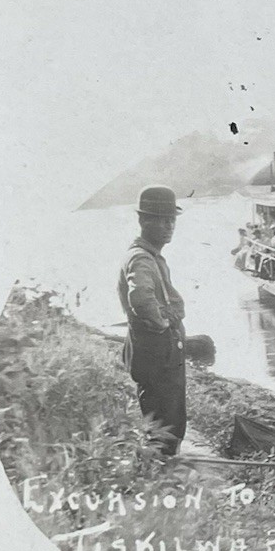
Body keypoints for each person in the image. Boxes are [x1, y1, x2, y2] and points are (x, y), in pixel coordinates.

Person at [117, 185, 188, 455]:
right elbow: (141, 300)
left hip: (161, 354)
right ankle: (162, 472)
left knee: (168, 417)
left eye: (171, 220)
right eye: (160, 219)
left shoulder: (150, 257)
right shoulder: (141, 260)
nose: (169, 226)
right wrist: (164, 324)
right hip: (156, 353)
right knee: (162, 422)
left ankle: (164, 466)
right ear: (143, 221)